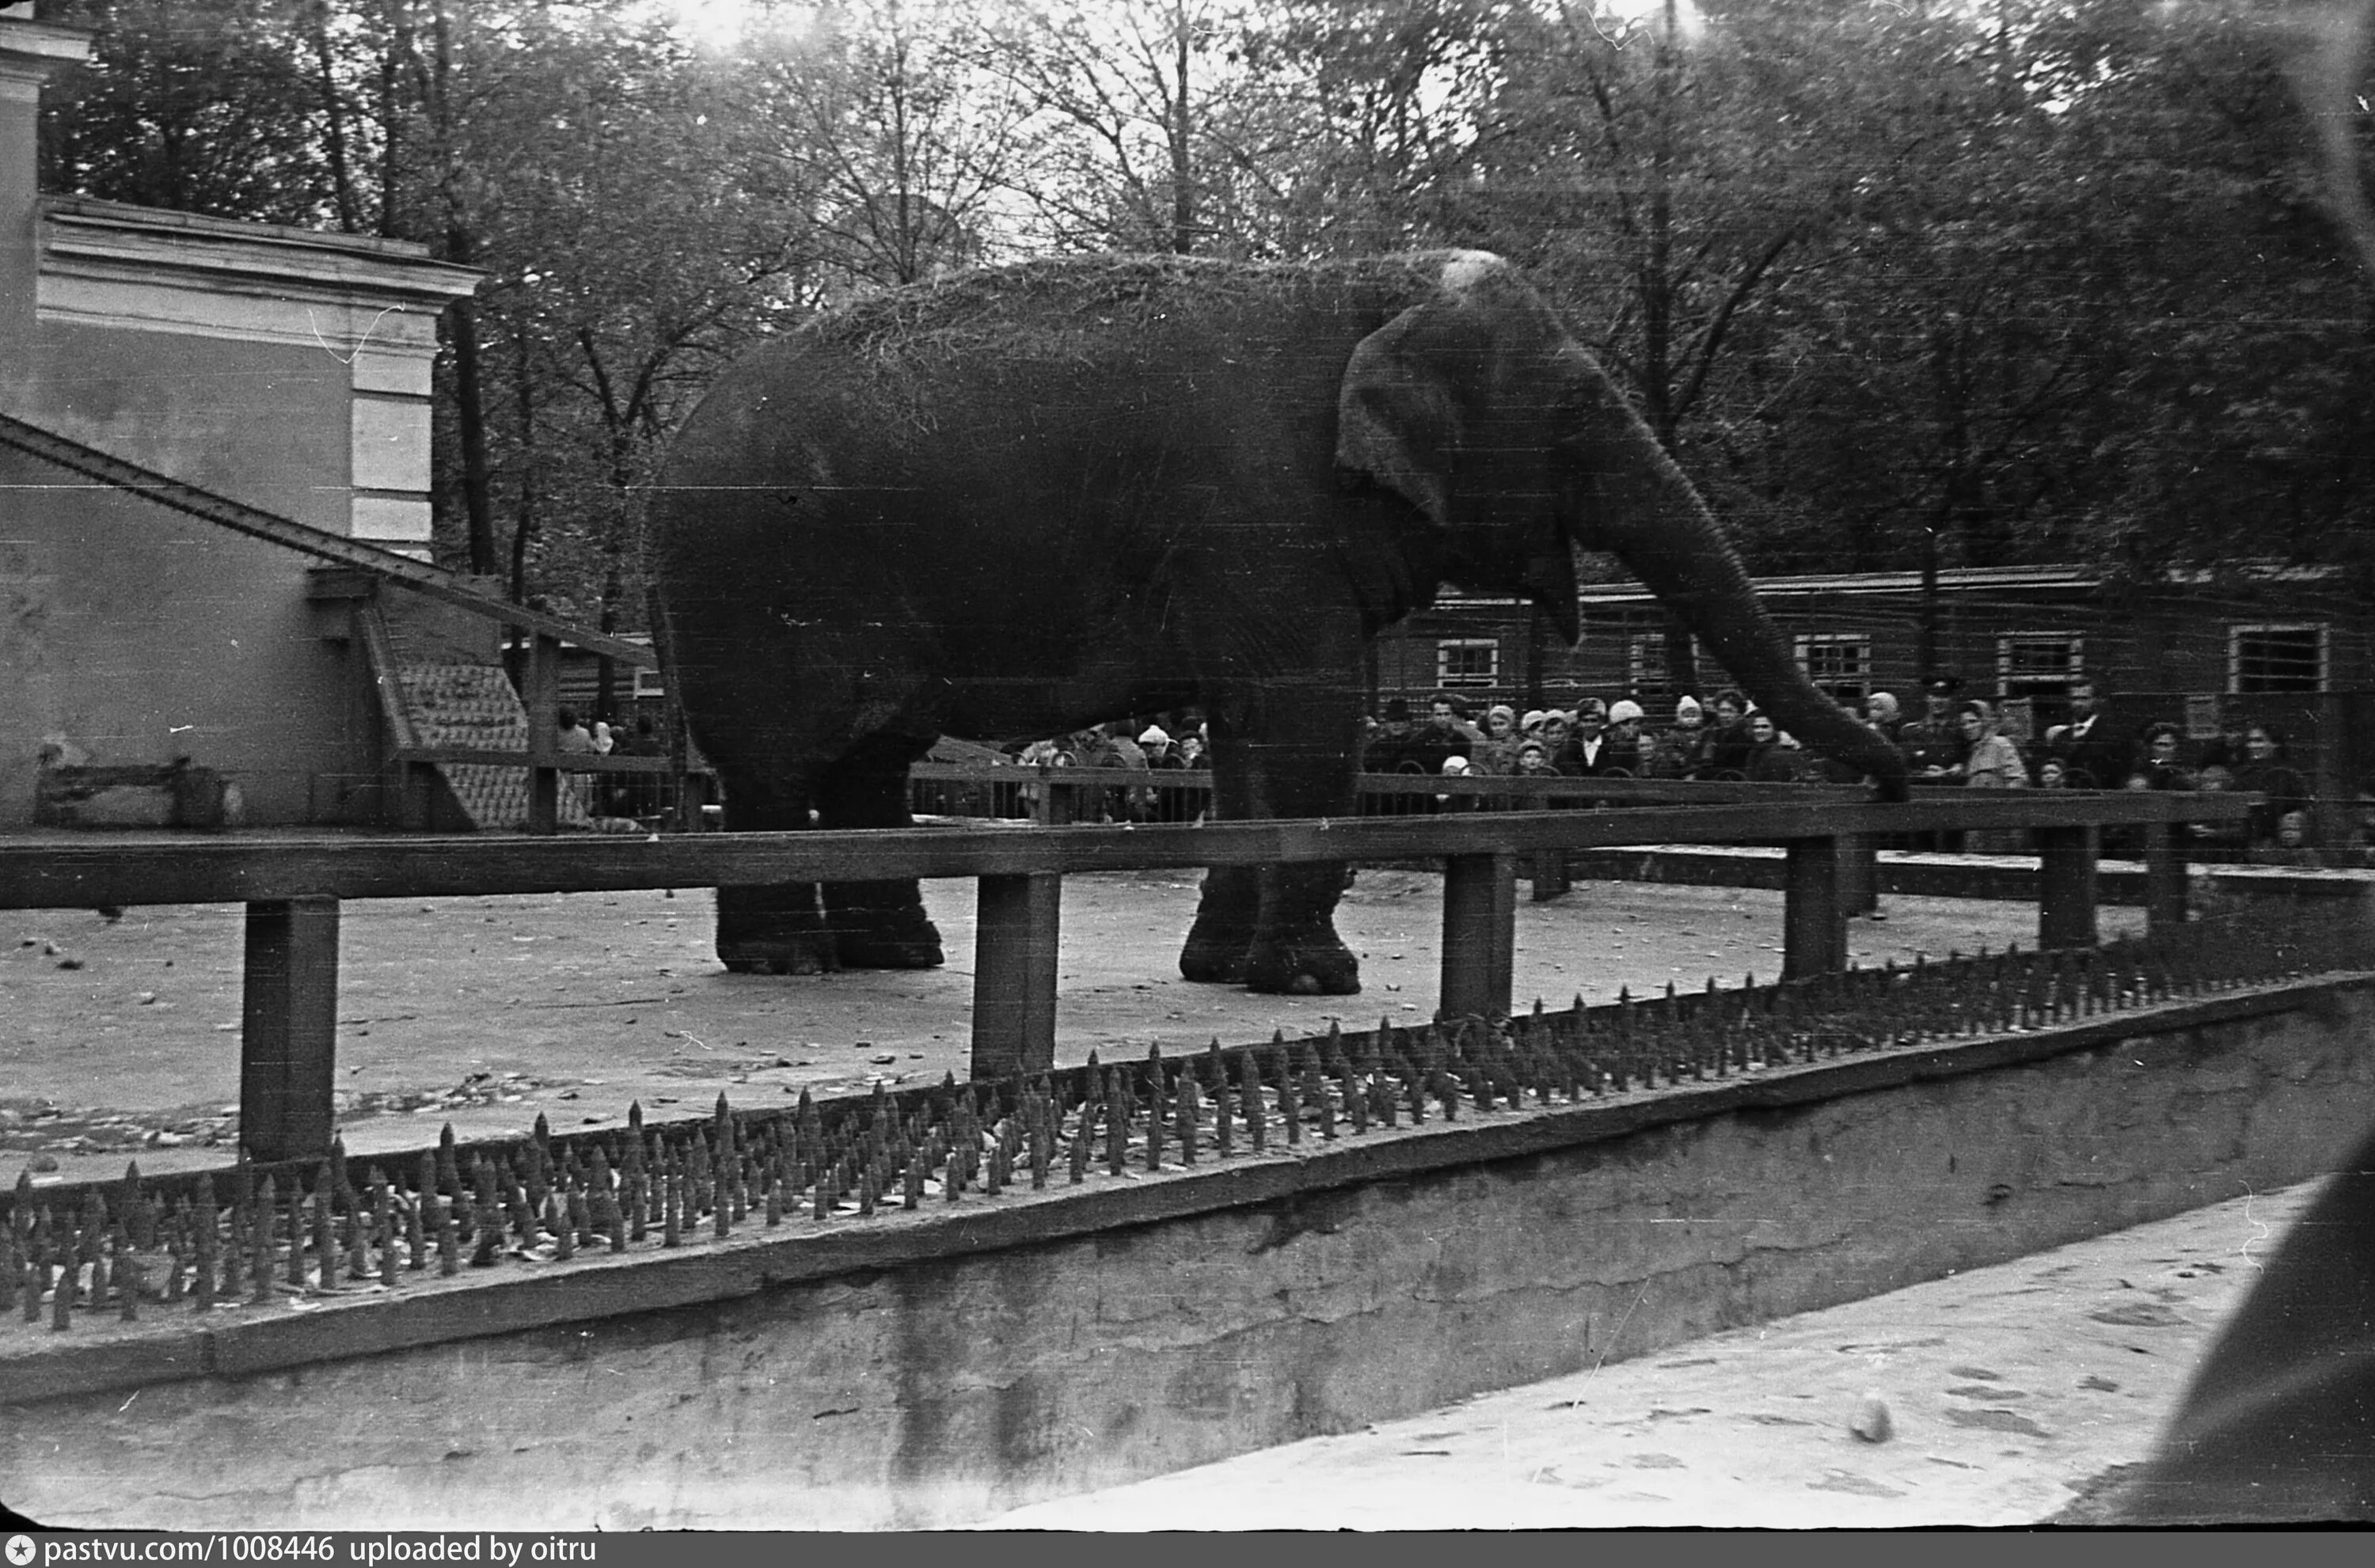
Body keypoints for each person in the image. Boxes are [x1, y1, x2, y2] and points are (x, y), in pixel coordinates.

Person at [1958, 699, 2028, 854]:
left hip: (1998, 826)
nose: (1967, 727)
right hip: (1976, 823)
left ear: (1985, 721)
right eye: (1964, 723)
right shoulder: (1974, 751)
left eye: (1973, 722)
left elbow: (2018, 779)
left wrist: (2001, 809)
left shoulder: (2000, 744)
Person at [2040, 674, 2130, 792]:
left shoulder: (2112, 735)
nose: (2078, 704)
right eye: (2074, 699)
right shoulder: (2061, 737)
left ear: (2095, 700)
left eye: (2084, 699)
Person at [2233, 723, 2311, 849]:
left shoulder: (2288, 773)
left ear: (2275, 744)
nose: (2253, 746)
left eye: (2259, 741)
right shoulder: (2242, 774)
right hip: (2244, 841)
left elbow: (2299, 810)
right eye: (2250, 741)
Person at [1704, 690, 1754, 779]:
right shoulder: (1711, 732)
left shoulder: (1747, 735)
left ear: (1739, 713)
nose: (1725, 715)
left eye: (1730, 711)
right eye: (1722, 711)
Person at [1470, 704, 1522, 776]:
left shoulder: (1519, 745)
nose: (1498, 728)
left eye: (1502, 724)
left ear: (1511, 724)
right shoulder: (1484, 746)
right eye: (1494, 724)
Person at [1602, 699, 1647, 776]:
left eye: (1636, 724)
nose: (1631, 728)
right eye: (1625, 724)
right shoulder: (1605, 750)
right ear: (1614, 728)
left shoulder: (1643, 748)